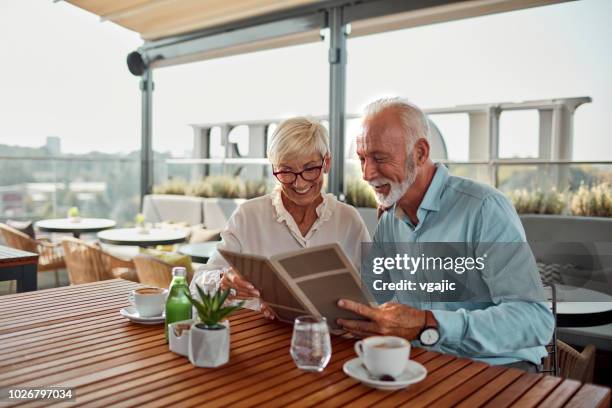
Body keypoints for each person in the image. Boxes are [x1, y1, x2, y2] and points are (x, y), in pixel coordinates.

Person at [337, 97, 554, 371]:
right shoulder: (389, 222)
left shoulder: (484, 209)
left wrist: (428, 323)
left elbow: (534, 320)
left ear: (420, 153)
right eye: (362, 159)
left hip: (498, 367)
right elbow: (369, 297)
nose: (367, 174)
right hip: (422, 363)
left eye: (380, 158)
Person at [190, 116, 371, 317]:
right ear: (274, 168)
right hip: (260, 337)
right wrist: (223, 280)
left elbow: (376, 292)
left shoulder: (348, 220)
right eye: (286, 171)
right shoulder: (248, 216)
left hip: (329, 339)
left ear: (326, 163)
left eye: (310, 169)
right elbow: (197, 284)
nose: (299, 184)